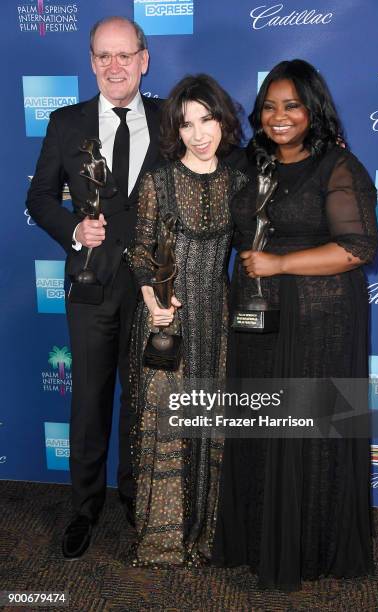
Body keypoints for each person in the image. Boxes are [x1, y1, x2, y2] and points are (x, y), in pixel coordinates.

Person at [213, 59, 378, 591]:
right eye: (269, 106)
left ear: (313, 110)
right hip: (258, 320)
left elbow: (358, 248)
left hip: (319, 323)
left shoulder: (338, 167)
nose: (279, 116)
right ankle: (263, 540)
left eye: (292, 106)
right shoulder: (251, 165)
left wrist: (280, 264)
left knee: (311, 433)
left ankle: (312, 545)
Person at [26, 16, 163, 559]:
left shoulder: (172, 122)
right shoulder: (66, 123)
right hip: (90, 285)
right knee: (88, 401)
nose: (114, 66)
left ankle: (136, 498)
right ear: (91, 63)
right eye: (103, 56)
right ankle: (84, 508)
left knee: (143, 400)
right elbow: (38, 198)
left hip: (155, 288)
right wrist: (74, 230)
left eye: (124, 55)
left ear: (144, 59)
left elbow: (215, 166)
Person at [126, 74, 247, 566]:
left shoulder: (241, 182)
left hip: (217, 320)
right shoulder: (157, 181)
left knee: (210, 423)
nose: (199, 134)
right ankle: (164, 541)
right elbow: (138, 249)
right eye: (187, 123)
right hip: (168, 321)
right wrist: (153, 302)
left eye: (207, 119)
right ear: (175, 129)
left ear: (222, 120)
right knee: (170, 427)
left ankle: (207, 535)